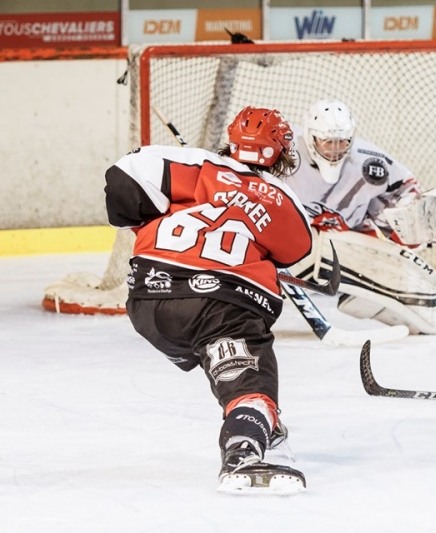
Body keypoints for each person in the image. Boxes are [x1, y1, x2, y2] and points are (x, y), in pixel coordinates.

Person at [104, 107, 313, 494]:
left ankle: (251, 413)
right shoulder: (283, 198)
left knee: (210, 348)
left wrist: (147, 225)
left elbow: (121, 179)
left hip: (147, 300)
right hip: (220, 305)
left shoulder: (189, 163)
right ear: (281, 155)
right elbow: (296, 252)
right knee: (247, 383)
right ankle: (244, 446)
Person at [283, 99, 436, 335]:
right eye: (328, 142)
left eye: (342, 142)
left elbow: (404, 188)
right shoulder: (284, 154)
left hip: (347, 239)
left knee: (380, 280)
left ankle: (425, 305)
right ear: (311, 138)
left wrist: (414, 217)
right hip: (290, 243)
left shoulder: (369, 161)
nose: (335, 150)